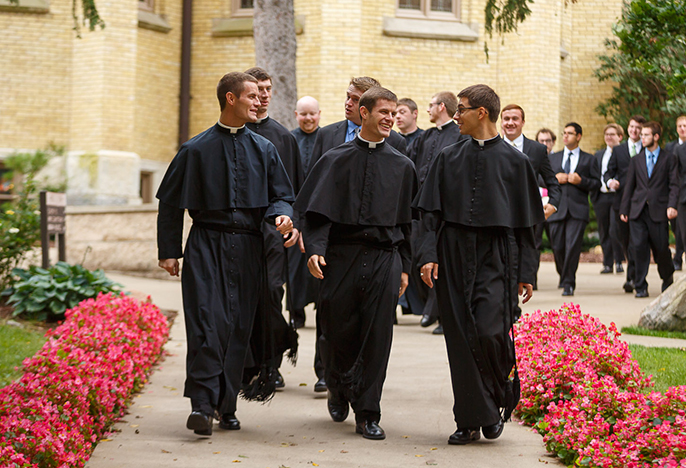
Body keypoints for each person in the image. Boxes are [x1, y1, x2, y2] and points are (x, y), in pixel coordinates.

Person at [156, 72, 294, 436]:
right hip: (205, 245)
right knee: (206, 323)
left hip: (249, 247)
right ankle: (201, 405)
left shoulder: (265, 150)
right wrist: (169, 251)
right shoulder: (194, 149)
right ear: (230, 99)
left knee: (237, 327)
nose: (258, 101)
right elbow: (170, 203)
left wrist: (282, 214)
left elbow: (282, 193)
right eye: (251, 95)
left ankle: (226, 404)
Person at [413, 84, 542, 445]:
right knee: (459, 336)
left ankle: (494, 401)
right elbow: (429, 215)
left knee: (490, 331)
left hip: (495, 254)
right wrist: (427, 254)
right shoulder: (447, 157)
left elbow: (530, 225)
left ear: (481, 113)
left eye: (462, 110)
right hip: (453, 250)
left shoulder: (518, 163)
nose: (456, 116)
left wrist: (527, 272)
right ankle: (470, 420)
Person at [296, 86, 417, 441]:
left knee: (378, 335)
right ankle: (337, 386)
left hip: (385, 257)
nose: (390, 119)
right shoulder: (335, 159)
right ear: (363, 113)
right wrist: (316, 248)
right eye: (384, 112)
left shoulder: (403, 165)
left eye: (394, 114)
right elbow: (316, 213)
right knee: (336, 330)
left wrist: (406, 266)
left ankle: (368, 412)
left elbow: (409, 224)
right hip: (342, 256)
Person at [244, 67, 302, 391]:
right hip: (238, 232)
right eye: (257, 89)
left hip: (273, 231)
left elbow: (296, 188)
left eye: (267, 89)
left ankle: (270, 363)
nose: (264, 95)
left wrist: (296, 225)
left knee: (271, 293)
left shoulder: (283, 137)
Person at [408, 91, 465, 334]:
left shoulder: (459, 136)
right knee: (418, 257)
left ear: (442, 107)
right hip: (421, 208)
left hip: (444, 210)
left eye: (431, 105)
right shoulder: (425, 136)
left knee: (440, 260)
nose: (428, 110)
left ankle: (440, 313)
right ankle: (430, 306)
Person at [500, 104, 561, 290]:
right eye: (506, 119)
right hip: (498, 215)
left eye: (515, 119)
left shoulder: (536, 150)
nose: (510, 123)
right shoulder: (491, 147)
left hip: (527, 216)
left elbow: (553, 182)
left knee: (528, 252)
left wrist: (552, 205)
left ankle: (526, 281)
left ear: (523, 122)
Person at [291, 95, 326, 392]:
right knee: (294, 272)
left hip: (316, 213)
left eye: (312, 114)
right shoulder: (290, 141)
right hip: (293, 214)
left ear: (318, 115)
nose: (308, 119)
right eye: (303, 114)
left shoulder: (325, 139)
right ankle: (296, 311)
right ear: (296, 115)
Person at [620, 121, 678, 298]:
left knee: (661, 248)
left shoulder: (669, 158)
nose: (641, 137)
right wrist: (624, 208)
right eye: (642, 135)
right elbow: (630, 185)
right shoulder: (636, 159)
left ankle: (667, 278)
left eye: (646, 135)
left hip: (659, 211)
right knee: (638, 248)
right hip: (638, 211)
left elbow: (674, 185)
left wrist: (672, 205)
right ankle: (640, 285)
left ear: (656, 137)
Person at [308, 77, 407, 172]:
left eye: (356, 99)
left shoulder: (396, 141)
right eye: (348, 97)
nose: (348, 103)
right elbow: (314, 177)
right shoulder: (326, 134)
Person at [547, 123, 600, 296]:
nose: (565, 136)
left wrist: (581, 181)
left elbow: (596, 184)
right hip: (556, 208)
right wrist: (555, 179)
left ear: (578, 136)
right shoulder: (553, 158)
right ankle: (564, 274)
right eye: (564, 133)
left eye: (570, 133)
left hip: (578, 210)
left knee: (572, 246)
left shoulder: (589, 159)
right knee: (558, 247)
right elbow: (540, 179)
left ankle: (569, 282)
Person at [605, 115, 646, 293]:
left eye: (638, 128)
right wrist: (610, 182)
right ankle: (632, 274)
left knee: (638, 242)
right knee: (626, 240)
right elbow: (608, 172)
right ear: (627, 128)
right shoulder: (619, 150)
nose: (634, 130)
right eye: (631, 127)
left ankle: (634, 278)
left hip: (642, 203)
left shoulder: (647, 149)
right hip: (621, 202)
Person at [592, 123, 625, 274]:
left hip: (617, 196)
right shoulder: (599, 155)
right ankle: (607, 263)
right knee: (604, 230)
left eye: (612, 134)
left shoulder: (624, 153)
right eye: (607, 134)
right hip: (601, 197)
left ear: (620, 137)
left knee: (615, 229)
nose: (609, 137)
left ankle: (618, 261)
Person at [665, 115, 686, 270]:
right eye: (680, 126)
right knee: (679, 230)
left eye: (685, 125)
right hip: (679, 197)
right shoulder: (672, 148)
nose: (682, 129)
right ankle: (678, 257)